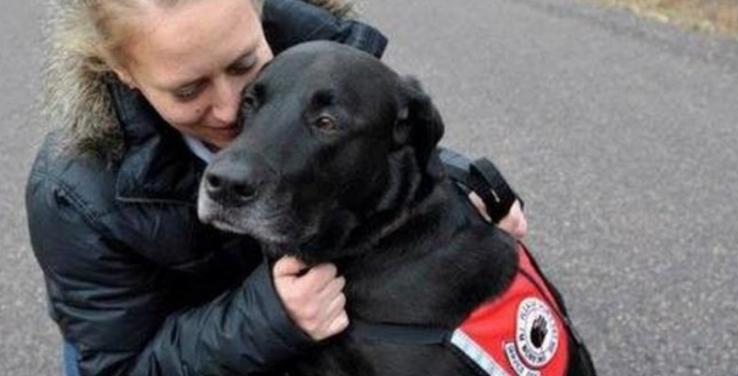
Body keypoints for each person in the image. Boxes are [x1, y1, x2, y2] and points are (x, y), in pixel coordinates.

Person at [26, 0, 528, 375]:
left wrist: (465, 185)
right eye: (188, 90)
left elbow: (387, 138)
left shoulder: (314, 53)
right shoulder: (73, 194)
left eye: (245, 68)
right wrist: (268, 316)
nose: (228, 109)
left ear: (258, 13)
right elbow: (120, 368)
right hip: (169, 344)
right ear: (125, 73)